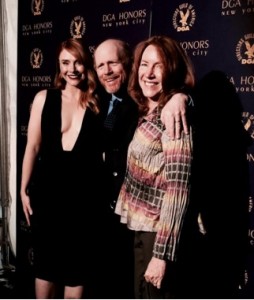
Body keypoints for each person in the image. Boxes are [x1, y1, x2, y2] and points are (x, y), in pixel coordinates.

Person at [93, 38, 189, 298]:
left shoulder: (174, 117)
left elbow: (178, 191)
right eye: (144, 64)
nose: (148, 73)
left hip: (156, 235)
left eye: (158, 66)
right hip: (134, 224)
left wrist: (161, 255)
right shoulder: (147, 109)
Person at [20, 38, 105, 299]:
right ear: (58, 66)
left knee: (76, 275)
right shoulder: (44, 98)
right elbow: (33, 147)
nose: (72, 68)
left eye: (78, 62)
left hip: (82, 204)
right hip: (46, 198)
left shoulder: (97, 104)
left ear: (86, 64)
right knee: (45, 272)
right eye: (65, 62)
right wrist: (23, 189)